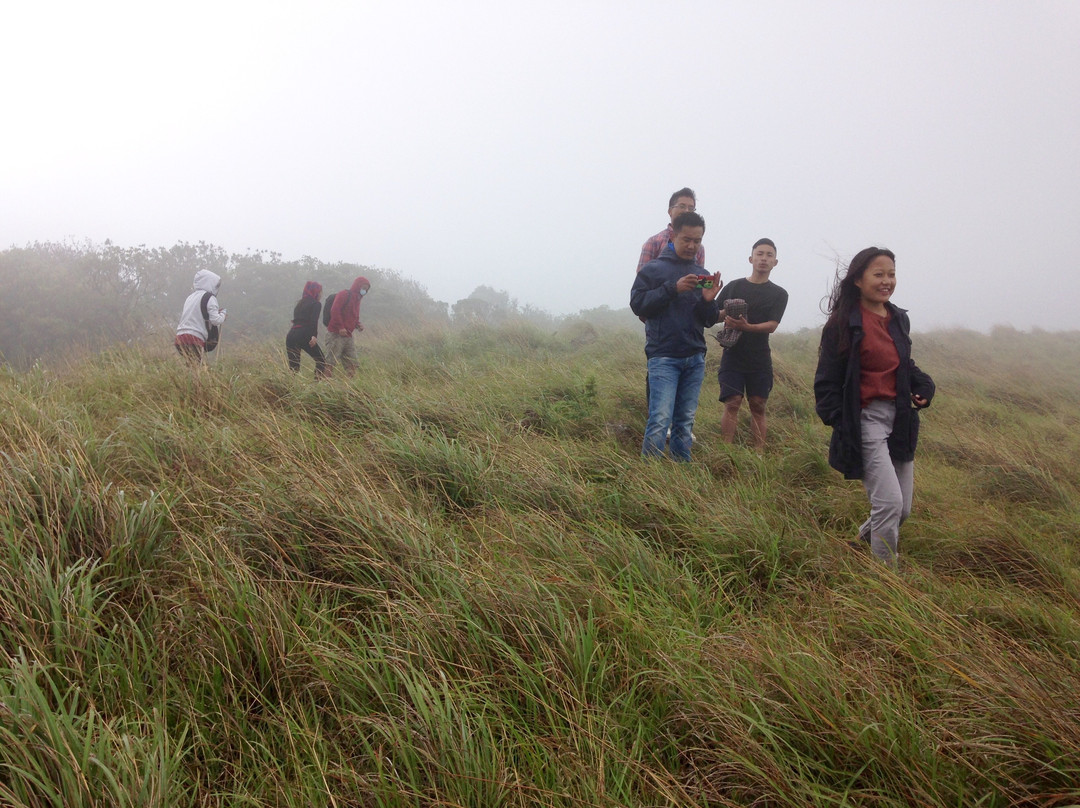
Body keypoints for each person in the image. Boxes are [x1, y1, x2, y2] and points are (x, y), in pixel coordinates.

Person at [813, 247, 935, 566]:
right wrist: (841, 421)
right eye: (878, 274)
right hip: (865, 420)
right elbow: (826, 381)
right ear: (858, 280)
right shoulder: (843, 324)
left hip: (901, 418)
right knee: (889, 504)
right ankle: (885, 577)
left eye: (891, 274)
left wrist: (923, 385)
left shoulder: (898, 319)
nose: (886, 281)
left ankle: (861, 541)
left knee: (902, 509)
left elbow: (903, 363)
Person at [630, 211, 722, 461]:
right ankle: (650, 474)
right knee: (660, 419)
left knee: (685, 420)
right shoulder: (653, 270)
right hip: (664, 356)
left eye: (697, 240)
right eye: (686, 239)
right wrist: (673, 288)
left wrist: (708, 301)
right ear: (673, 236)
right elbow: (638, 304)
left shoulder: (701, 274)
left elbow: (708, 319)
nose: (692, 245)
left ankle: (682, 471)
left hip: (695, 357)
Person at [714, 238, 789, 448]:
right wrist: (726, 314)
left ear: (775, 262)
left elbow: (772, 325)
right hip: (733, 355)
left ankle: (759, 454)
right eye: (759, 254)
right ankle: (726, 451)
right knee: (732, 402)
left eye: (769, 255)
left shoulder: (779, 294)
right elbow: (713, 315)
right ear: (751, 258)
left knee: (758, 405)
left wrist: (747, 327)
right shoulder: (733, 286)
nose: (764, 259)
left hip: (759, 358)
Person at [636, 187, 706, 272]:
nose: (686, 211)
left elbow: (699, 277)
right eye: (682, 206)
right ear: (670, 211)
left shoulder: (699, 248)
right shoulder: (654, 242)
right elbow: (642, 277)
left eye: (691, 208)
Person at [174, 269, 226, 366]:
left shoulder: (190, 297)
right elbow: (215, 320)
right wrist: (223, 314)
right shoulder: (210, 298)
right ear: (210, 283)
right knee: (197, 368)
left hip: (180, 338)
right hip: (194, 339)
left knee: (192, 365)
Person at [324, 276, 370, 379]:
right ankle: (326, 383)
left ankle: (348, 385)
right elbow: (335, 311)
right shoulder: (344, 294)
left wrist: (358, 324)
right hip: (335, 334)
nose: (364, 291)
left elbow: (353, 316)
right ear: (357, 285)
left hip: (348, 335)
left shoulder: (357, 299)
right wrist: (340, 327)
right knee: (330, 362)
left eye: (366, 290)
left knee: (352, 363)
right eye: (363, 288)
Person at [285, 281, 328, 378]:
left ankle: (290, 385)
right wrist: (314, 336)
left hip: (291, 334)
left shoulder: (299, 303)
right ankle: (316, 383)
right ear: (316, 292)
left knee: (294, 367)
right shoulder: (316, 304)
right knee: (321, 360)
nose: (321, 294)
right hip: (304, 334)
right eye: (320, 292)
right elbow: (313, 321)